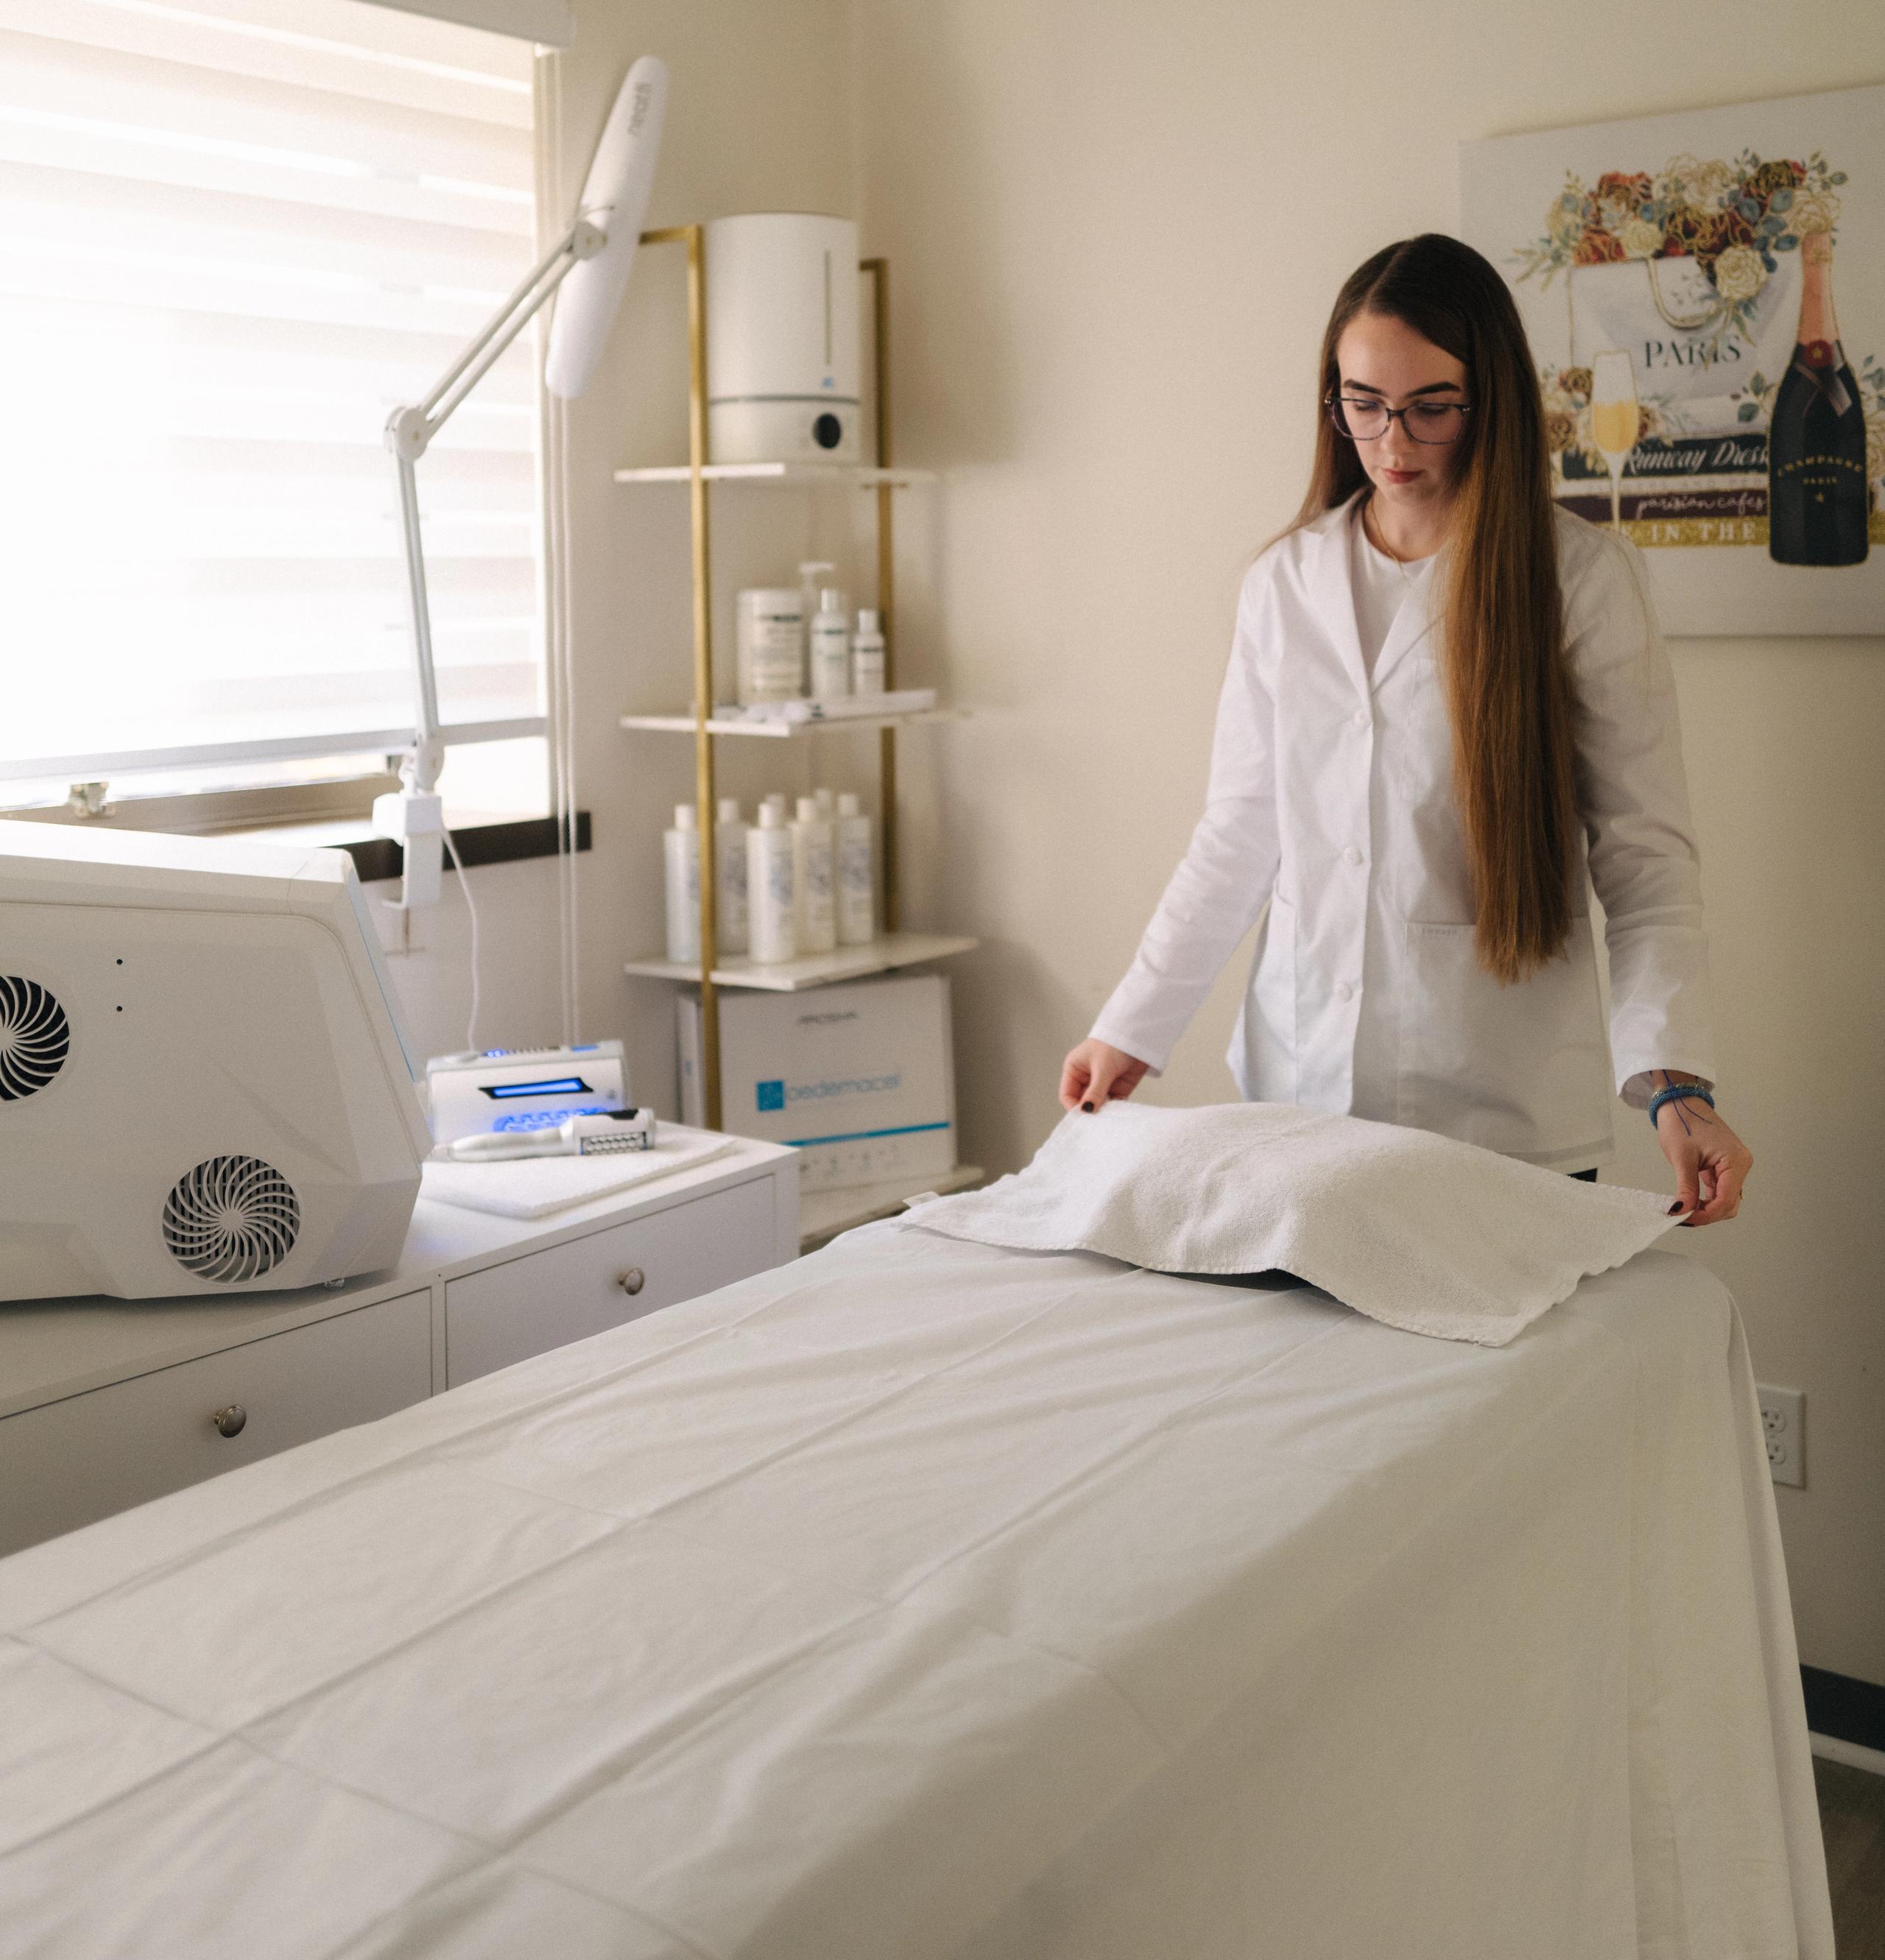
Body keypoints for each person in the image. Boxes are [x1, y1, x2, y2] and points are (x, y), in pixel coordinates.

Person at [1059, 233, 1750, 1224]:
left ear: (1491, 399)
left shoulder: (1581, 580)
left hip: (1503, 1111)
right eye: (1364, 405)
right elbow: (1239, 832)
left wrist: (1675, 1083)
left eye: (1431, 407)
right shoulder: (1285, 583)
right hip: (1299, 1093)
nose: (1392, 444)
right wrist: (1132, 1025)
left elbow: (1645, 857)